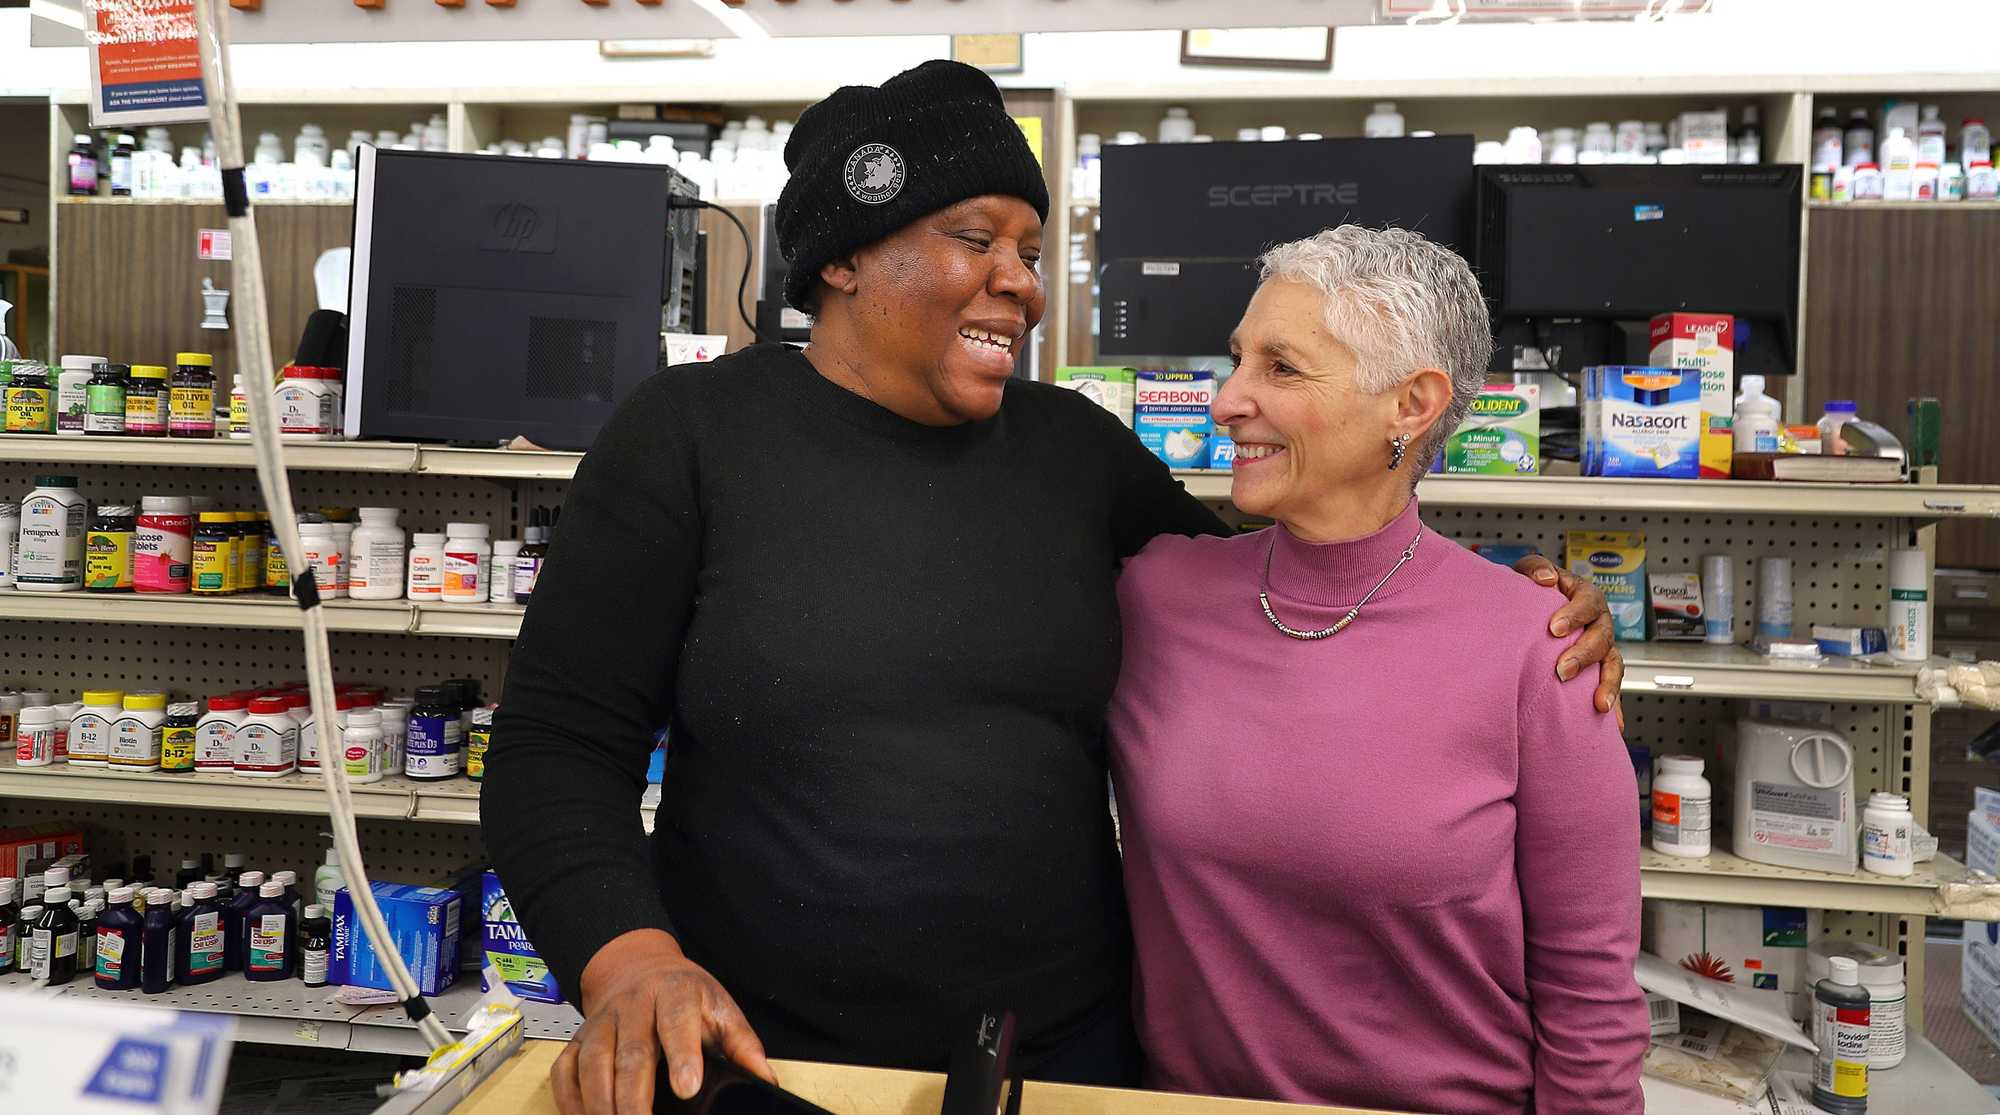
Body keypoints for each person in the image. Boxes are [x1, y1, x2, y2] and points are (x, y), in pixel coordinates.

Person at [482, 62, 1623, 1115]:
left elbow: (1296, 577)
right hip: (761, 1054)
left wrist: (1513, 607)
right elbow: (553, 746)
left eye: (1029, 252)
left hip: (1064, 1061)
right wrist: (629, 961)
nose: (1018, 286)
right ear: (841, 255)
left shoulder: (1072, 453)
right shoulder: (690, 439)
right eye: (975, 238)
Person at [1108, 225, 1648, 1115]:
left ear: (1411, 403)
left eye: (1281, 368)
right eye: (1236, 359)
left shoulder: (1540, 644)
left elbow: (1589, 990)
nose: (1227, 400)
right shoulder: (1155, 596)